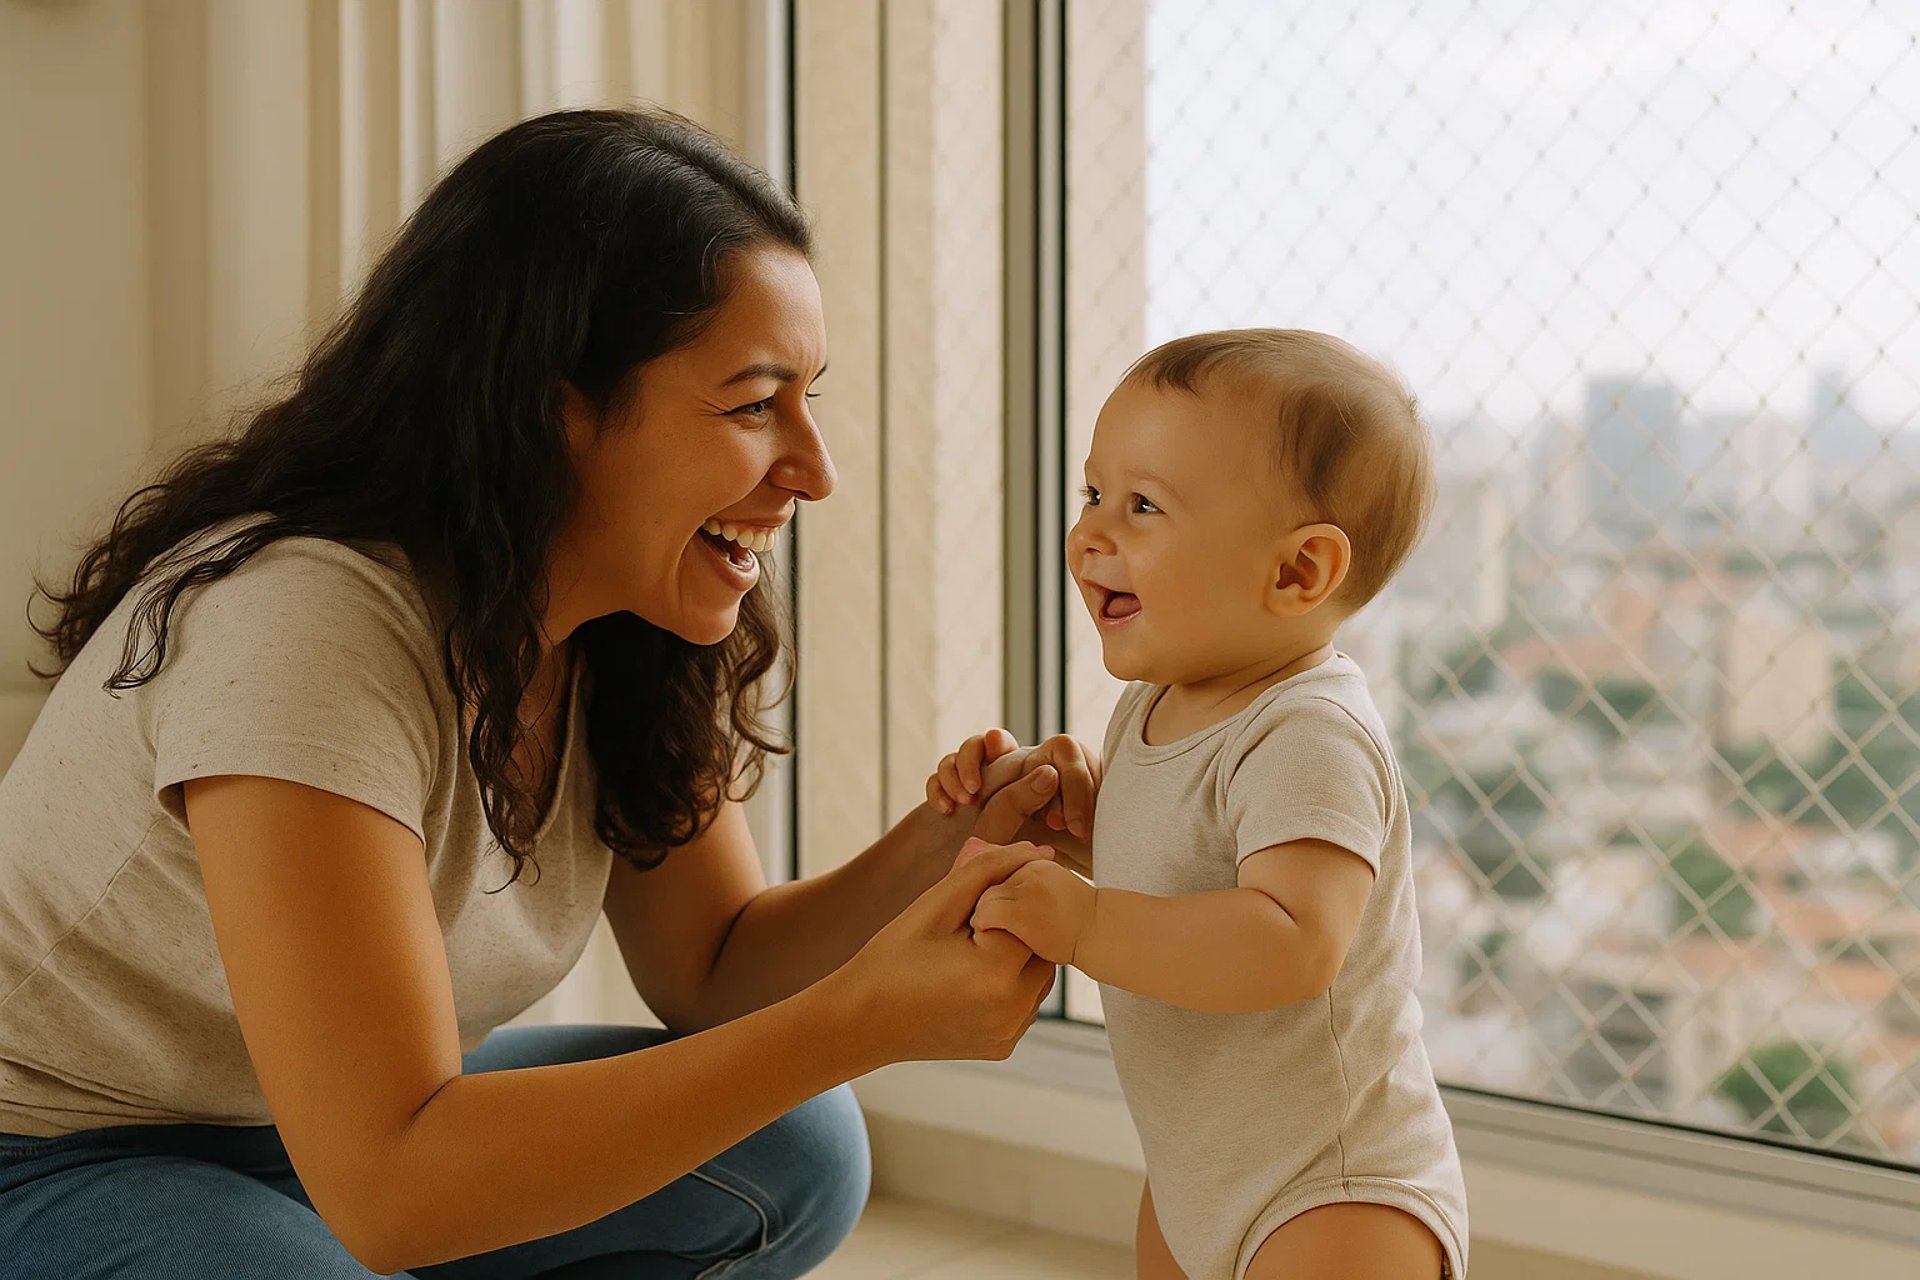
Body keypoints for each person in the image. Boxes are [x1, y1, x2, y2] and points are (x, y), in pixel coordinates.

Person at [0, 107, 1091, 1279]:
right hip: (55, 1148)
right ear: (550, 405)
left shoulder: (618, 623)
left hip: (304, 1143)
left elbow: (714, 967)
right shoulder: (299, 631)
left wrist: (948, 845)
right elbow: (395, 1187)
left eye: (809, 395)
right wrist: (858, 1017)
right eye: (753, 403)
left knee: (795, 1146)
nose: (812, 469)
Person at [929, 330, 1470, 1279]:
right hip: (1197, 1170)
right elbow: (1195, 869)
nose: (1092, 533)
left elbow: (1292, 941)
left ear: (1298, 573)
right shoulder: (1161, 697)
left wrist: (1088, 922)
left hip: (1331, 1190)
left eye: (1143, 506)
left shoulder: (1310, 731)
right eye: (1093, 494)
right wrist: (1088, 823)